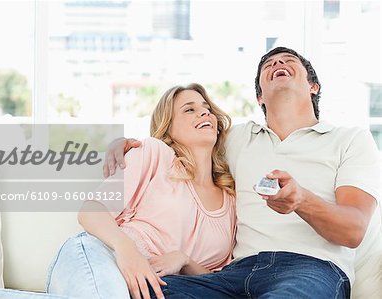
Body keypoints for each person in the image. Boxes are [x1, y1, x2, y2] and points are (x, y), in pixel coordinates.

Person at [103, 47, 381, 298]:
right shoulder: (236, 140)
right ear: (260, 96)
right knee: (146, 292)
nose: (277, 63)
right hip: (233, 276)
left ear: (313, 86)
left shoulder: (350, 140)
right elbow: (185, 143)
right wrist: (125, 144)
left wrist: (301, 200)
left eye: (288, 60)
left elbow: (353, 230)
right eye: (268, 64)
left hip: (309, 268)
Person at [0, 83, 236, 299]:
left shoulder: (231, 201)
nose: (204, 114)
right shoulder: (155, 154)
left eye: (207, 109)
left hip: (149, 289)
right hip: (100, 255)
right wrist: (126, 250)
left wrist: (181, 258)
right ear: (168, 127)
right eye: (190, 109)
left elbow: (219, 281)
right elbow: (91, 210)